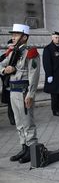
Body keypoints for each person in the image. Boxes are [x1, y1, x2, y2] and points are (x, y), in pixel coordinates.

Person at [0, 24, 40, 163]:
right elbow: (1, 64)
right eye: (13, 34)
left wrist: (31, 95)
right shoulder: (12, 52)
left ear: (25, 37)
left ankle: (32, 150)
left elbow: (34, 76)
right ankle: (24, 148)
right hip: (13, 91)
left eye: (16, 35)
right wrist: (5, 70)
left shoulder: (31, 52)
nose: (13, 37)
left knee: (28, 123)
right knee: (19, 123)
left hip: (24, 92)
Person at [43, 31, 59, 116]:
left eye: (58, 38)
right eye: (55, 37)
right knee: (55, 94)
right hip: (54, 75)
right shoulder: (48, 48)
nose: (57, 39)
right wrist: (49, 75)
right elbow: (46, 63)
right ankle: (55, 110)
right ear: (52, 38)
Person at [1, 39, 16, 125]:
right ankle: (12, 118)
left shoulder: (17, 55)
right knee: (10, 102)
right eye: (11, 46)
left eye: (13, 46)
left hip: (17, 80)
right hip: (7, 81)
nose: (12, 48)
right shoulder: (3, 57)